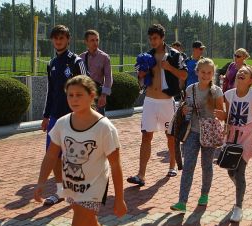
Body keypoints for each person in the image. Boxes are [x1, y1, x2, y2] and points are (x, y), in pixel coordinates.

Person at [34, 75, 127, 226]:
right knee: (87, 222)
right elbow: (51, 155)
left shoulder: (105, 127)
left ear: (91, 96)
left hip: (94, 187)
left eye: (79, 95)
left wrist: (119, 198)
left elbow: (115, 165)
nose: (74, 99)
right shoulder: (63, 123)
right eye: (70, 95)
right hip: (72, 186)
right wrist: (40, 183)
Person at [127, 24, 187, 187]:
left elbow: (184, 74)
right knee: (146, 136)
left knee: (170, 136)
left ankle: (172, 166)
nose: (152, 41)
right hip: (150, 101)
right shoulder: (146, 56)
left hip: (167, 101)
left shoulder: (175, 55)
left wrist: (169, 67)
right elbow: (140, 79)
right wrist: (141, 75)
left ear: (162, 38)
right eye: (150, 38)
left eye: (155, 38)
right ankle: (141, 175)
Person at [170, 58, 225, 212]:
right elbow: (184, 107)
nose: (206, 75)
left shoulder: (216, 91)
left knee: (206, 166)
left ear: (213, 74)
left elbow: (222, 115)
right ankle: (182, 202)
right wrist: (184, 110)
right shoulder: (190, 89)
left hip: (209, 134)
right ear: (197, 72)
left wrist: (220, 114)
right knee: (188, 166)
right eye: (203, 72)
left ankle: (204, 194)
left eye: (209, 73)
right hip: (192, 132)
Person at [41, 25, 88, 206]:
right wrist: (46, 116)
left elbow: (87, 88)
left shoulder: (76, 62)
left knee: (75, 158)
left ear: (68, 39)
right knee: (52, 155)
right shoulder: (51, 64)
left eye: (61, 38)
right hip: (55, 118)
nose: (58, 41)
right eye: (55, 38)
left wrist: (84, 115)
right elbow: (51, 92)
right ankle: (61, 191)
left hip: (74, 117)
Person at [216, 65, 252, 222]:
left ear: (250, 80)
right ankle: (240, 188)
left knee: (240, 170)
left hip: (247, 136)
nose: (241, 73)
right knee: (231, 171)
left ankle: (238, 207)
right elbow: (228, 117)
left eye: (245, 73)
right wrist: (223, 121)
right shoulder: (229, 95)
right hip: (231, 136)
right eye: (239, 72)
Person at [79, 29, 113, 116]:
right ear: (86, 42)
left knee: (99, 121)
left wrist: (104, 95)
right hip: (84, 94)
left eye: (97, 40)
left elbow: (108, 78)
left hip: (98, 94)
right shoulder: (81, 57)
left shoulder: (105, 57)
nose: (95, 43)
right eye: (92, 40)